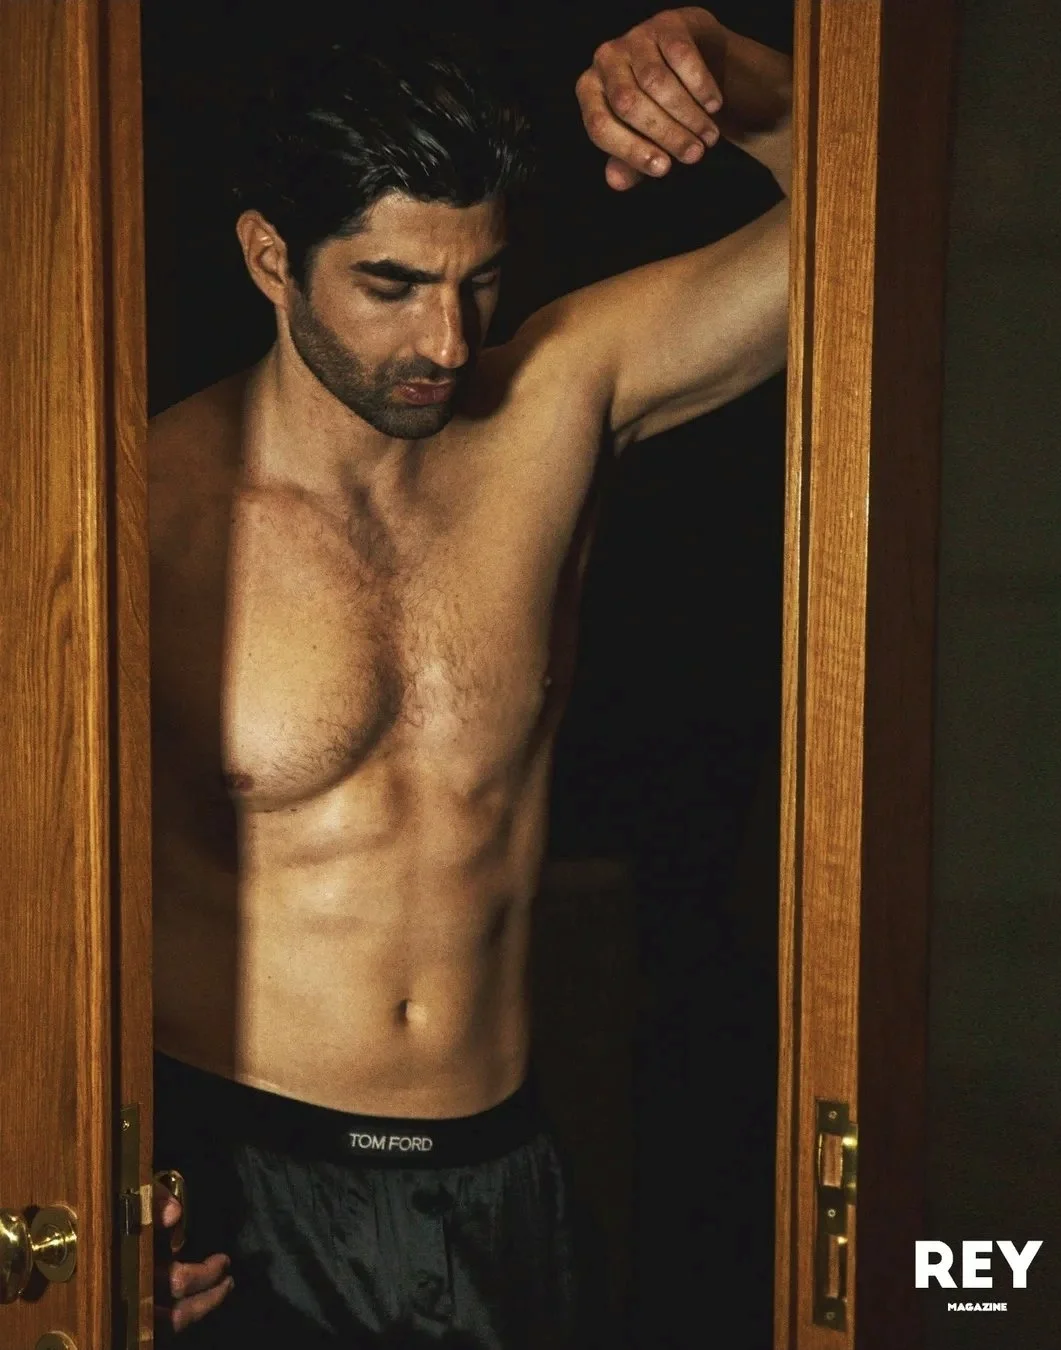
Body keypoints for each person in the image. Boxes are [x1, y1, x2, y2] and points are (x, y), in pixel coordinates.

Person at [150, 7, 791, 1345]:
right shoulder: (142, 510)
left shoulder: (553, 404)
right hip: (240, 1184)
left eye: (478, 279)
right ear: (270, 258)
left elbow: (869, 239)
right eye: (390, 284)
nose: (447, 340)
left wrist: (746, 87)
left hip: (506, 1175)